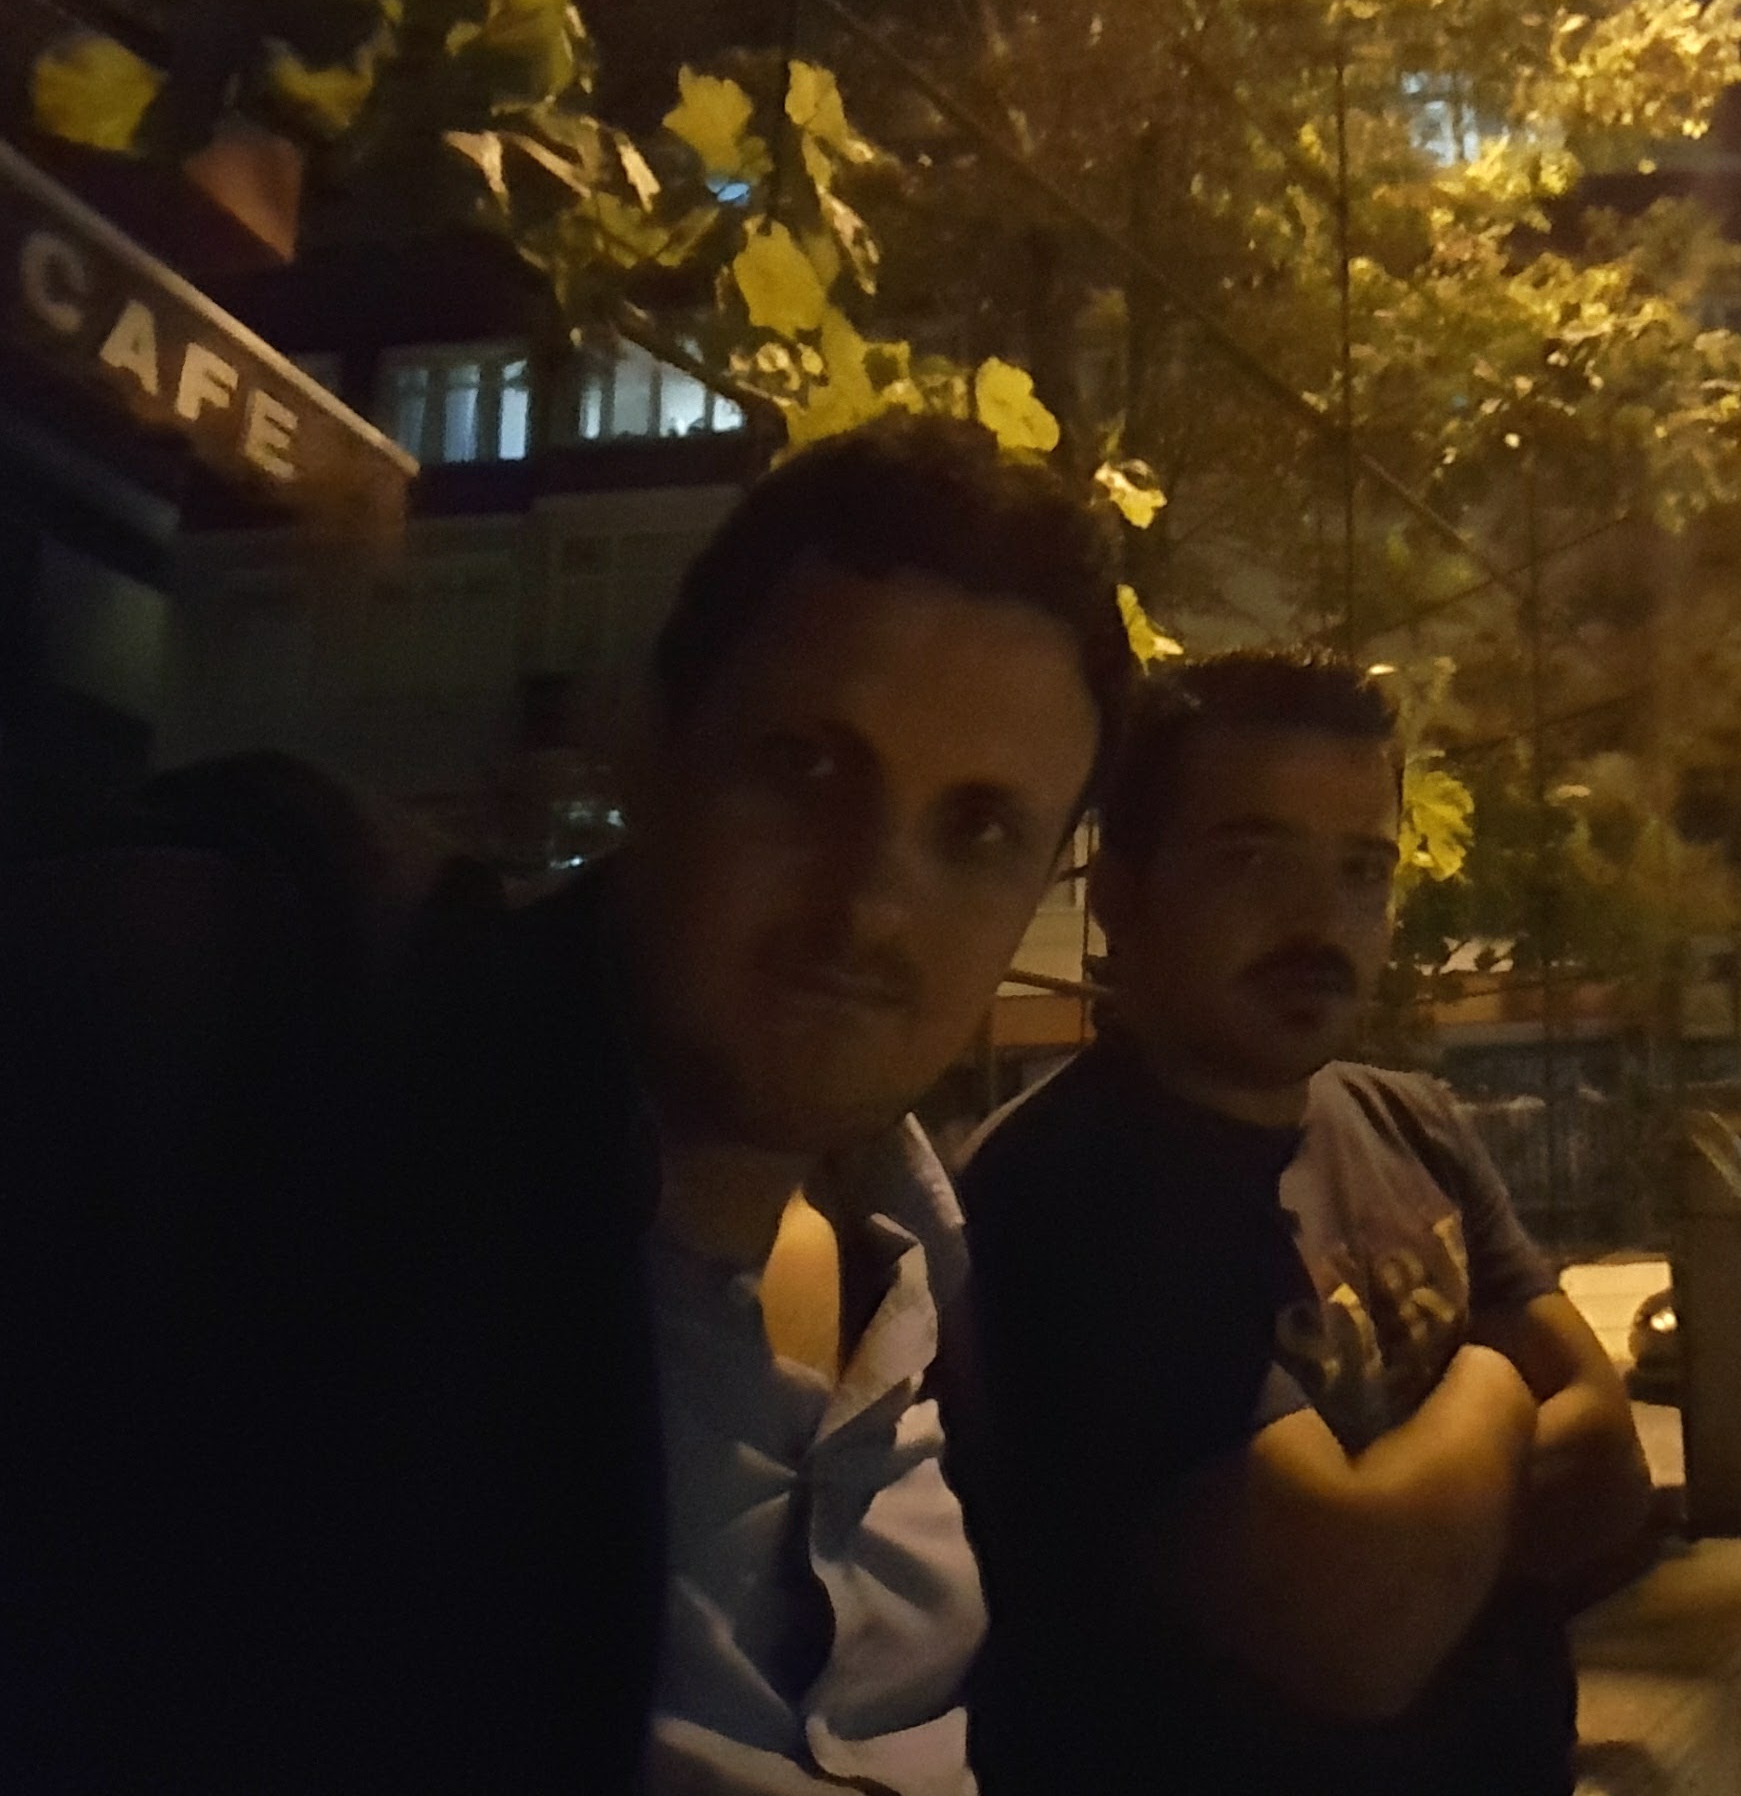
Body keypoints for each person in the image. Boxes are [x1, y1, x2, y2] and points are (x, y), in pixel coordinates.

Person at [0, 416, 1135, 1795]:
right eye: (807, 767)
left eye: (978, 831)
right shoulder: (289, 1065)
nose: (873, 905)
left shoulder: (942, 1294)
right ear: (645, 741)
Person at [957, 650, 1652, 1796]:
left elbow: (1611, 1476)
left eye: (1361, 870)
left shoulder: (1410, 1122)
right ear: (1119, 896)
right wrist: (1489, 1379)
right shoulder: (1069, 1193)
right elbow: (1360, 1625)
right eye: (1251, 858)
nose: (1319, 919)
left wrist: (1419, 1525)